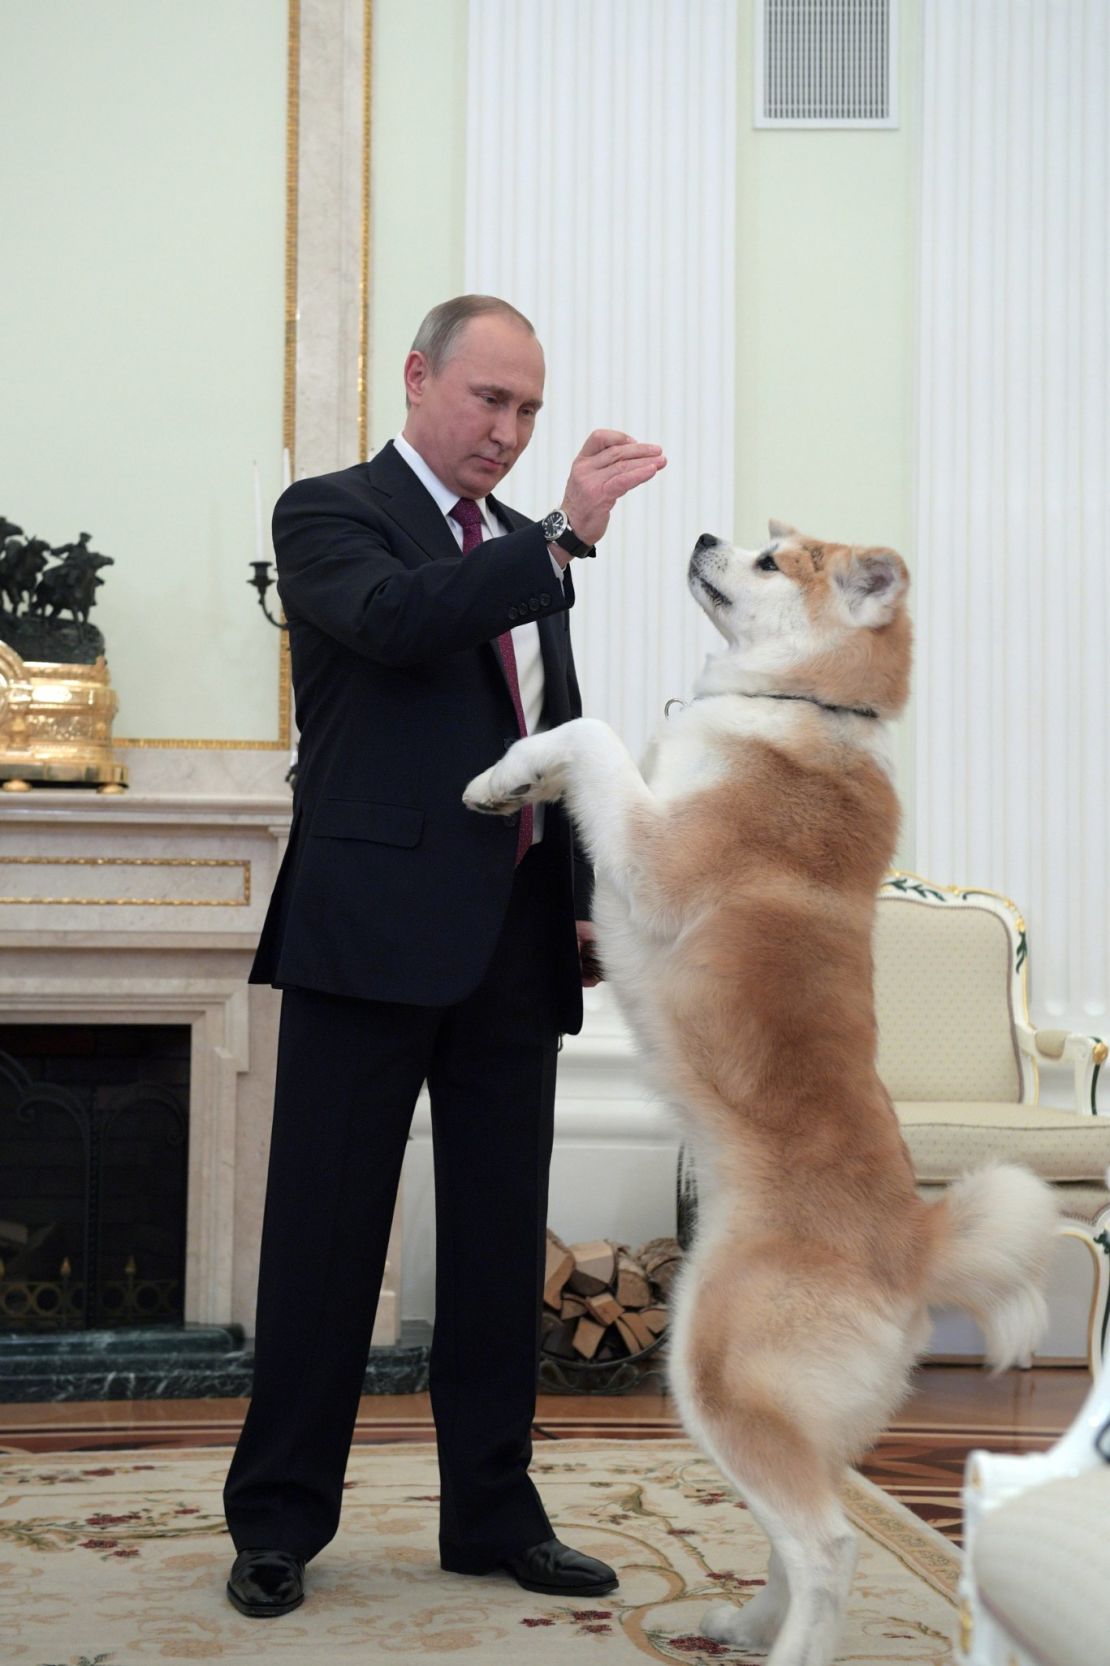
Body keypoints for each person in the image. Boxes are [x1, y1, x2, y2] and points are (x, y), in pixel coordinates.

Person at [223, 294, 666, 1618]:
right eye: (489, 399)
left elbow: (556, 727)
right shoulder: (328, 512)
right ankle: (280, 1521)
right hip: (367, 938)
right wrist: (561, 538)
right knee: (323, 1241)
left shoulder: (528, 555)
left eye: (528, 409)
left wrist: (580, 893)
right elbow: (403, 619)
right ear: (418, 379)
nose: (509, 429)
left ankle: (491, 1512)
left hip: (516, 943)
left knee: (488, 1253)